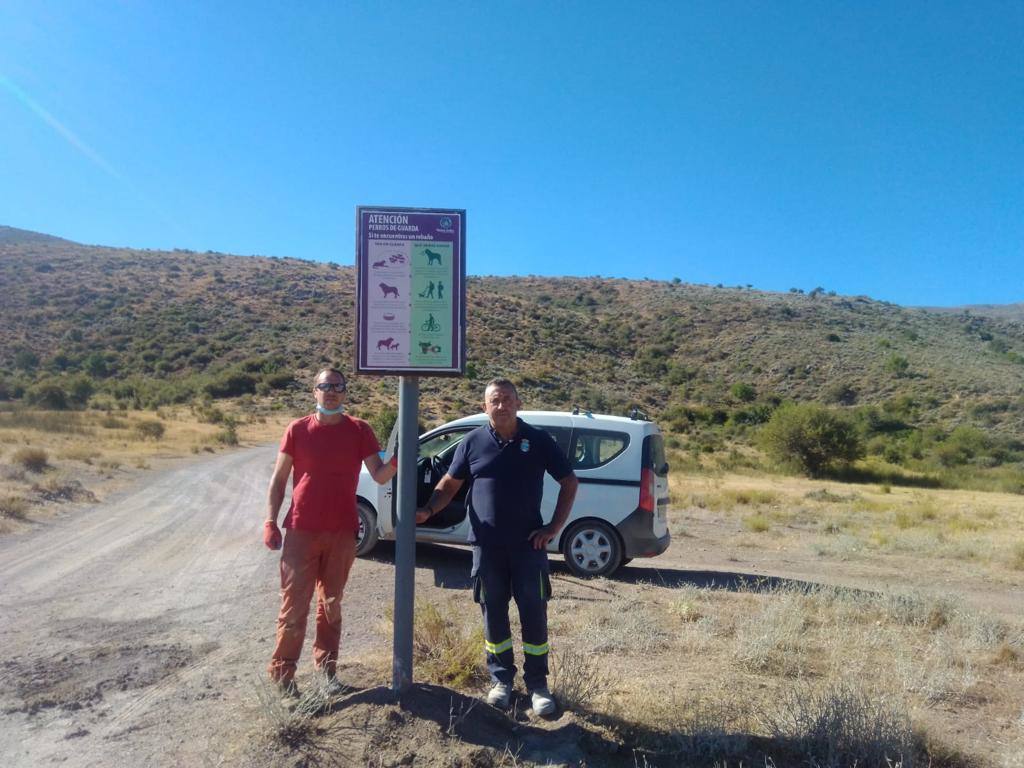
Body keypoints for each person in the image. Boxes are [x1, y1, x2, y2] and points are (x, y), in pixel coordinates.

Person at [416, 379, 578, 715]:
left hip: (528, 548)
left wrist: (554, 527)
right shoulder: (472, 442)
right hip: (486, 547)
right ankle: (501, 681)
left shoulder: (537, 440)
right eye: (495, 400)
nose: (501, 405)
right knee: (493, 615)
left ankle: (538, 686)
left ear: (518, 403)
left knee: (534, 614)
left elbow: (569, 481)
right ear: (484, 405)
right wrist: (430, 510)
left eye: (507, 399)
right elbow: (450, 484)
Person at [263, 368, 396, 696]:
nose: (332, 391)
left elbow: (378, 475)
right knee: (293, 607)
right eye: (325, 386)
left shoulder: (359, 430)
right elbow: (279, 480)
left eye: (338, 386)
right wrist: (270, 520)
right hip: (301, 530)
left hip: (341, 532)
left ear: (345, 392)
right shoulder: (298, 430)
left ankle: (327, 673)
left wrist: (399, 458)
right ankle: (283, 677)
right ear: (315, 392)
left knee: (331, 605)